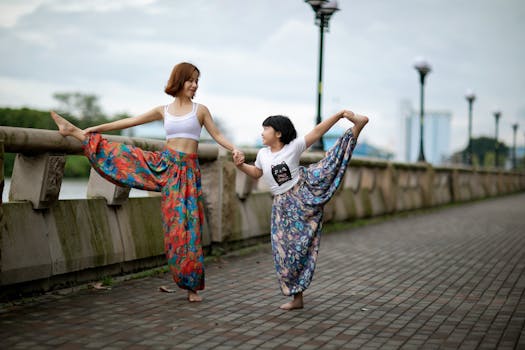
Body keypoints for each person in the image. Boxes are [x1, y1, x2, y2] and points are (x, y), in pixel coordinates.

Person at [50, 62, 244, 302]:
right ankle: (74, 131)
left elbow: (218, 136)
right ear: (179, 81)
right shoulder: (163, 110)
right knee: (126, 157)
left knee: (186, 228)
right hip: (165, 165)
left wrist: (235, 149)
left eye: (197, 81)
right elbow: (129, 122)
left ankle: (191, 287)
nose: (194, 85)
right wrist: (93, 129)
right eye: (190, 80)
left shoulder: (200, 110)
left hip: (187, 174)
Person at [233, 110, 368, 310]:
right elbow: (256, 173)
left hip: (302, 197)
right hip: (281, 206)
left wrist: (339, 115)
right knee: (284, 251)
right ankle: (296, 296)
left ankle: (357, 127)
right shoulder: (262, 154)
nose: (262, 133)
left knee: (331, 162)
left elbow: (318, 131)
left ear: (278, 133)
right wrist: (241, 165)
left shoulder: (293, 147)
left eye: (265, 129)